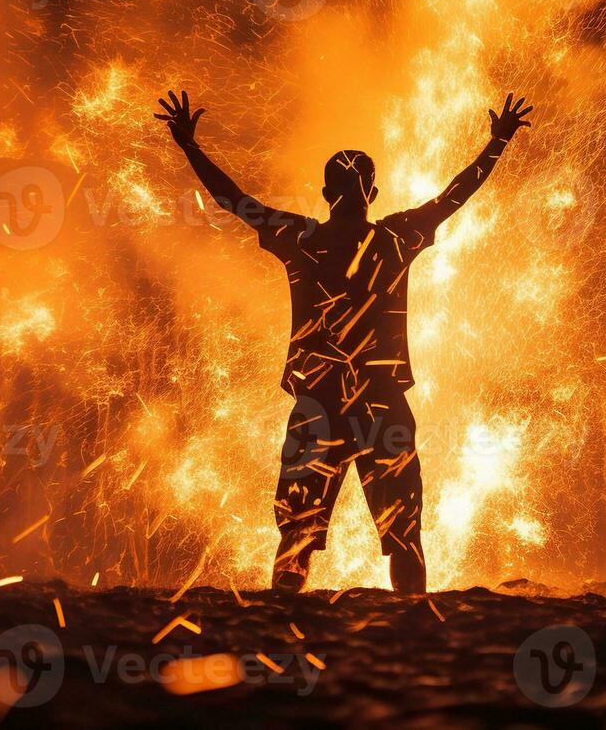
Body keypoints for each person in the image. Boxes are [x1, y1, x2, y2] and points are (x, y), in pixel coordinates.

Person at [156, 90, 533, 593]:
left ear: (325, 192)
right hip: (383, 405)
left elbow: (235, 202)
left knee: (295, 537)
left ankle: (283, 649)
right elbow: (453, 197)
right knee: (404, 537)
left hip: (320, 405)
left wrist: (190, 147)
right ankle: (415, 637)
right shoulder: (398, 238)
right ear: (372, 192)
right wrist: (497, 142)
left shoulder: (300, 239)